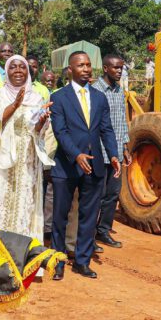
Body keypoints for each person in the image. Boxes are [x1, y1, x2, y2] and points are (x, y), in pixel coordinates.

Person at [50, 51, 120, 280]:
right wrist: (76, 154)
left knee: (89, 217)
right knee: (60, 217)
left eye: (88, 65)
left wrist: (113, 155)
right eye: (81, 65)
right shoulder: (59, 97)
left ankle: (82, 261)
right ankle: (58, 261)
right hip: (67, 166)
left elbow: (106, 129)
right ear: (70, 70)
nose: (86, 69)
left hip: (95, 164)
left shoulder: (99, 98)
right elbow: (60, 132)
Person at [0, 55, 53, 240]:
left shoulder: (37, 98)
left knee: (23, 203)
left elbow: (38, 131)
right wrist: (15, 104)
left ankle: (20, 248)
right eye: (13, 67)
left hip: (26, 159)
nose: (18, 70)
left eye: (22, 67)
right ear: (6, 72)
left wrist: (41, 122)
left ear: (28, 72)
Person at [92, 54, 132, 248]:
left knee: (112, 194)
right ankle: (89, 235)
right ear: (105, 68)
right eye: (115, 67)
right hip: (99, 152)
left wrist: (124, 147)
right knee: (95, 195)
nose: (119, 71)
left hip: (116, 152)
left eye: (121, 68)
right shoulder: (95, 91)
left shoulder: (118, 90)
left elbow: (122, 120)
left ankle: (103, 231)